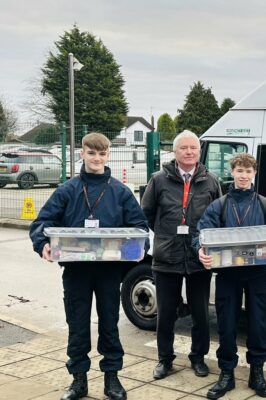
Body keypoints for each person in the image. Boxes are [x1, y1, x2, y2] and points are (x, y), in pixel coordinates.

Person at [29, 132, 149, 400]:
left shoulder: (120, 192)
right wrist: (42, 244)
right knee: (77, 324)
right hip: (76, 271)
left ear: (108, 156)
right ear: (82, 153)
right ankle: (79, 381)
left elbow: (140, 228)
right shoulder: (67, 190)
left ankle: (112, 379)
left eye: (102, 153)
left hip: (109, 271)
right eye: (91, 153)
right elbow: (41, 223)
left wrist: (139, 250)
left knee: (110, 324)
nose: (97, 158)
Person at [194, 153, 266, 399]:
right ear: (233, 172)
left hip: (258, 274)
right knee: (227, 324)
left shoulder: (264, 204)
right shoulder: (220, 205)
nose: (243, 176)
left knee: (258, 324)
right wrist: (200, 251)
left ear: (254, 174)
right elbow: (201, 233)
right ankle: (226, 373)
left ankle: (257, 373)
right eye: (240, 171)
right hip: (228, 274)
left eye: (248, 172)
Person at [141, 130, 222, 380]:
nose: (189, 152)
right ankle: (165, 360)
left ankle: (198, 358)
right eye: (184, 148)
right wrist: (166, 236)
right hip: (167, 258)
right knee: (165, 314)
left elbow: (218, 216)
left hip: (199, 258)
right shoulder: (158, 180)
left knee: (200, 313)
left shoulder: (211, 181)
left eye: (193, 148)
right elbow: (147, 214)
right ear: (175, 152)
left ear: (199, 152)